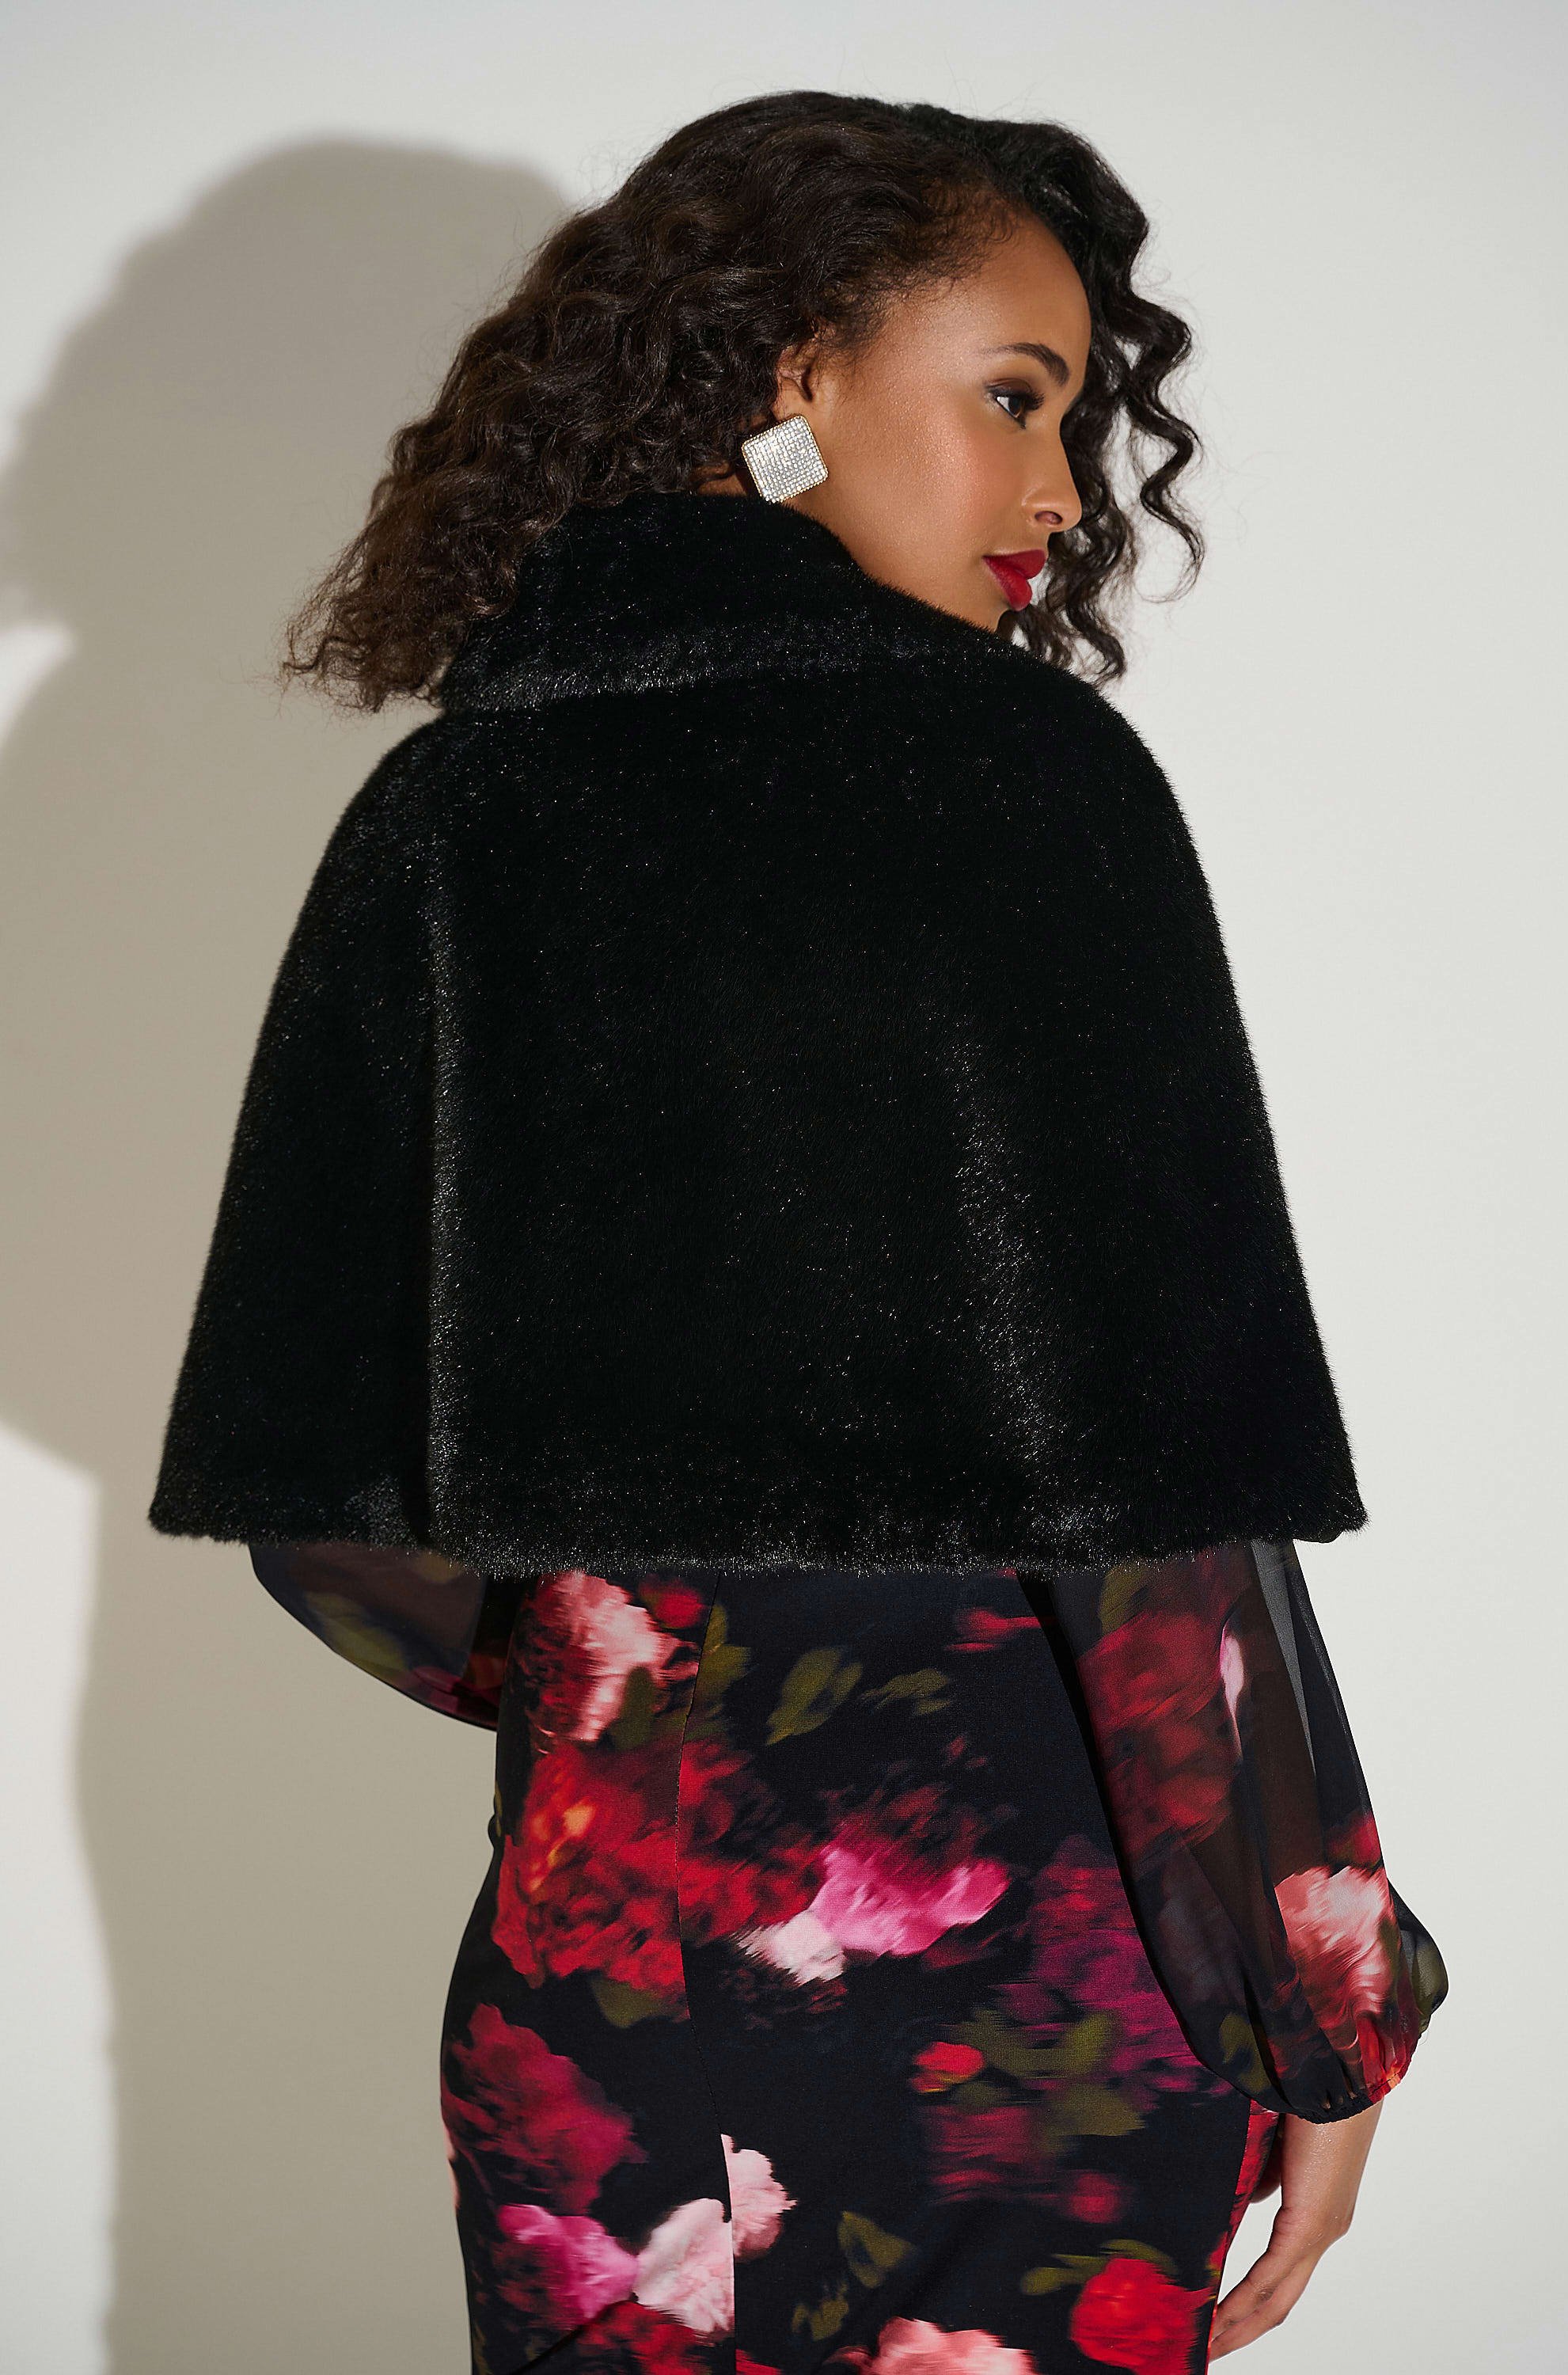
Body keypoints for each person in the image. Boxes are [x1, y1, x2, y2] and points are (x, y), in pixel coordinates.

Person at [147, 92, 1445, 2375]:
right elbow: (1170, 1559)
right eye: (1016, 396)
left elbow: (326, 1526)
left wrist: (637, 1687)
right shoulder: (1028, 789)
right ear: (793, 370)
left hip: (598, 1992)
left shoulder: (449, 809)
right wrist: (1322, 2009)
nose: (1062, 491)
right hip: (1023, 2000)